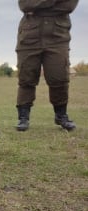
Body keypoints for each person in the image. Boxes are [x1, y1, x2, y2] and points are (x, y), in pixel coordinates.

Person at [15, 0, 78, 131]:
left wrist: (37, 7)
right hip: (29, 37)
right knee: (26, 78)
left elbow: (69, 6)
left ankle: (61, 116)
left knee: (59, 77)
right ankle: (23, 118)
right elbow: (25, 5)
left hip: (58, 37)